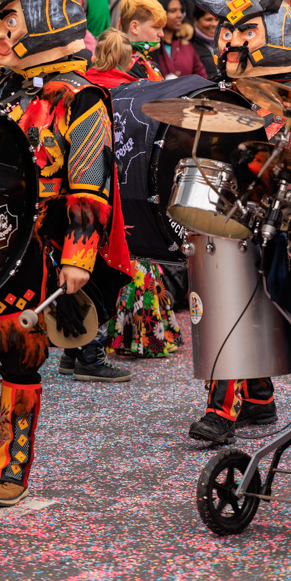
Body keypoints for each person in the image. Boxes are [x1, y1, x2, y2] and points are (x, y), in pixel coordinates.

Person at [0, 0, 132, 505]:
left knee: (18, 357)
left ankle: (11, 469)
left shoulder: (83, 99)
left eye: (9, 20)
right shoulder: (2, 88)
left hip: (33, 250)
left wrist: (78, 257)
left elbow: (88, 184)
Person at [174, 0, 291, 446]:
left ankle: (227, 406)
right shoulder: (221, 95)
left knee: (242, 293)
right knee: (229, 291)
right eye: (227, 31)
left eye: (246, 32)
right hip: (231, 212)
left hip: (286, 215)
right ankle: (254, 397)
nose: (232, 42)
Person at [87, 18, 183, 360]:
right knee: (137, 259)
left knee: (96, 262)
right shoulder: (137, 89)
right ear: (129, 59)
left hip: (89, 185)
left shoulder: (82, 86)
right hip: (131, 182)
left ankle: (90, 341)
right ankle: (142, 337)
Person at [154, 0, 208, 79]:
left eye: (181, 10)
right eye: (173, 11)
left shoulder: (186, 44)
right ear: (159, 13)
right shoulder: (149, 45)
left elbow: (201, 78)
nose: (179, 15)